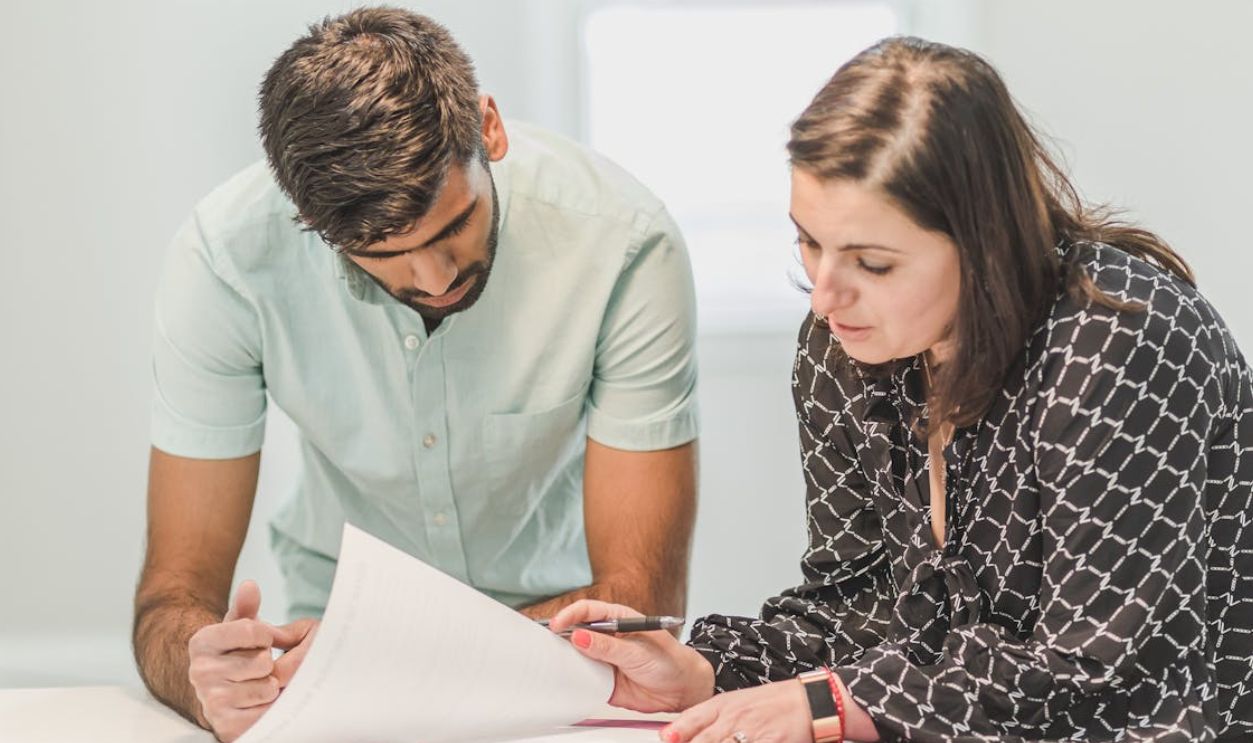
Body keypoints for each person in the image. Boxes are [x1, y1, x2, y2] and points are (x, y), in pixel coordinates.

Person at [550, 36, 1253, 742]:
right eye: (807, 242)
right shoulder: (841, 349)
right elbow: (853, 608)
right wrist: (705, 668)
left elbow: (1098, 670)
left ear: (983, 243)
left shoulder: (1117, 342)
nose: (824, 293)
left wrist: (831, 703)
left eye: (873, 263)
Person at [132, 8, 699, 741]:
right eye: (383, 253)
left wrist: (373, 658)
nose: (433, 278)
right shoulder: (226, 260)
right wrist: (202, 672)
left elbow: (638, 597)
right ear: (308, 221)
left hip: (567, 661)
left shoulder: (625, 243)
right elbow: (170, 597)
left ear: (488, 129)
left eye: (451, 225)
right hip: (332, 654)